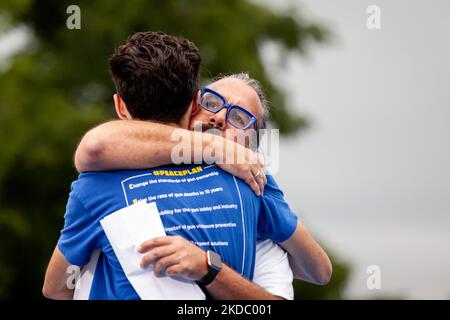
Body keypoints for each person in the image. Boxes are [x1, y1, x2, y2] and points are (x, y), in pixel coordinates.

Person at [43, 31, 331, 300]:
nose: (220, 117)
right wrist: (214, 146)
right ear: (194, 103)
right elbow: (97, 145)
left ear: (251, 147)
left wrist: (208, 268)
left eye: (240, 118)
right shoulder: (106, 171)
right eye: (213, 102)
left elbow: (319, 271)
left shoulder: (253, 185)